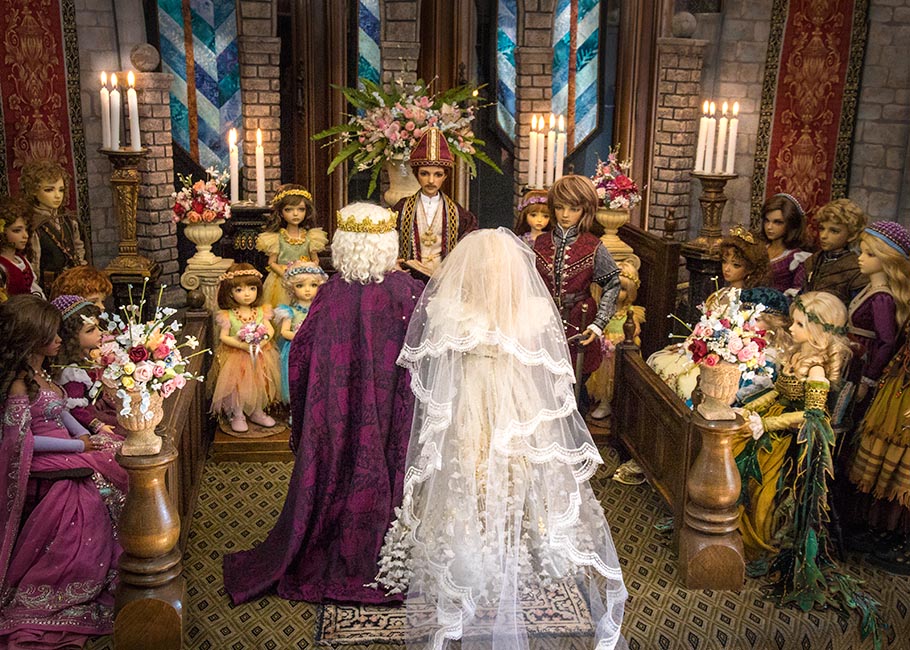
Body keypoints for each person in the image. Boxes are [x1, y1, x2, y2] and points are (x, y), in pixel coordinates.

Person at [373, 228, 627, 649]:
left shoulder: (501, 309)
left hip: (498, 397)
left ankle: (510, 538)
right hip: (484, 398)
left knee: (504, 465)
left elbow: (537, 362)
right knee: (472, 467)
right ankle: (483, 542)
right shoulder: (470, 307)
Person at [223, 202, 424, 605]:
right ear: (388, 243)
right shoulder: (408, 292)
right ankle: (393, 551)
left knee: (338, 464)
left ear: (343, 243)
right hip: (392, 411)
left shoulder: (331, 294)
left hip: (337, 411)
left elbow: (301, 355)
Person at [734, 292, 884, 646]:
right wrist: (753, 408)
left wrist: (767, 426)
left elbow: (813, 415)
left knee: (763, 482)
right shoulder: (797, 354)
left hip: (792, 438)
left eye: (801, 323)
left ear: (819, 331)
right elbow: (780, 393)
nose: (793, 326)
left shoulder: (817, 369)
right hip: (773, 419)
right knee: (734, 449)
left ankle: (757, 539)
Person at [0, 294, 127, 648]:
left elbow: (59, 412)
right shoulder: (18, 383)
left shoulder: (41, 372)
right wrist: (79, 447)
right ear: (30, 338)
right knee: (96, 489)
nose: (59, 340)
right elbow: (21, 441)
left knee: (120, 452)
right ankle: (78, 572)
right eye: (52, 335)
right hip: (45, 457)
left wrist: (87, 435)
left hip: (68, 446)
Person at [533, 174, 621, 415]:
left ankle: (575, 440)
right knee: (542, 384)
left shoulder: (594, 246)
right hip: (543, 324)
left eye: (573, 208)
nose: (565, 215)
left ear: (585, 210)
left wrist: (598, 324)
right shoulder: (539, 243)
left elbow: (613, 284)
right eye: (559, 207)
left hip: (579, 323)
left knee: (575, 384)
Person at [394, 127, 477, 279]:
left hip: (444, 280)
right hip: (409, 278)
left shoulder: (457, 213)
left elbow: (470, 244)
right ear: (416, 174)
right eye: (424, 174)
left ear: (445, 176)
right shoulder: (402, 208)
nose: (431, 181)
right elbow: (388, 240)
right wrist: (394, 262)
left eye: (438, 174)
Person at [211, 263, 281, 434]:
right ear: (229, 292)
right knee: (237, 386)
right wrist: (242, 344)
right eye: (239, 290)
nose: (247, 294)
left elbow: (269, 329)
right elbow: (223, 336)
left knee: (260, 383)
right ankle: (238, 414)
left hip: (261, 354)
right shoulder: (228, 315)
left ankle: (257, 411)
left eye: (252, 288)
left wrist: (263, 341)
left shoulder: (261, 310)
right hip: (237, 356)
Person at [847, 221, 910, 404]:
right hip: (854, 361)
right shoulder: (870, 289)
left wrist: (868, 378)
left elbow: (886, 342)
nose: (861, 258)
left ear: (887, 258)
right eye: (861, 252)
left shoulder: (882, 299)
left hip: (863, 366)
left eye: (870, 254)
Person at [50, 294, 120, 437]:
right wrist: (98, 425)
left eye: (97, 327)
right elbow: (76, 410)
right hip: (87, 420)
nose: (99, 333)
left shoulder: (88, 358)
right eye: (90, 330)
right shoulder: (72, 371)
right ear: (70, 337)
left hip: (99, 407)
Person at [588, 256, 645, 421]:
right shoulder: (604, 309)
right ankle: (604, 403)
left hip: (621, 349)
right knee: (603, 381)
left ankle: (621, 407)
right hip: (605, 350)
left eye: (622, 289)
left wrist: (621, 339)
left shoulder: (631, 311)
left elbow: (635, 329)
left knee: (619, 379)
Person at [256, 184, 327, 307]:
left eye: (301, 209)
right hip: (282, 281)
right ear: (281, 213)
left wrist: (309, 268)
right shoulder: (276, 238)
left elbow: (315, 259)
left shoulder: (311, 237)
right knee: (282, 310)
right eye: (289, 209)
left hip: (305, 280)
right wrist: (286, 275)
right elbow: (272, 262)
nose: (295, 214)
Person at [20, 160, 87, 289]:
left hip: (74, 284)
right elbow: (34, 266)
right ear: (33, 191)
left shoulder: (68, 220)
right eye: (49, 190)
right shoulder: (32, 224)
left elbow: (79, 249)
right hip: (48, 288)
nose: (57, 196)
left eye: (61, 190)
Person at [273, 260, 327, 403]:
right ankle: (294, 409)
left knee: (314, 376)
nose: (307, 290)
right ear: (292, 288)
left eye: (313, 285)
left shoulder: (321, 310)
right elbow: (284, 332)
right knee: (296, 377)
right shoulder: (289, 311)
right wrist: (301, 336)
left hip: (316, 348)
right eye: (300, 286)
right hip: (295, 349)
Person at [800, 198, 868, 304]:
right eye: (822, 228)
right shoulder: (813, 261)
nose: (823, 236)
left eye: (834, 231)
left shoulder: (856, 268)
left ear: (851, 235)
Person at [757, 193, 809, 294]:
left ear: (791, 224)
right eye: (767, 221)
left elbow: (797, 294)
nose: (769, 227)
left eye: (777, 222)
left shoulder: (797, 258)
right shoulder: (759, 248)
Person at [0, 197, 44, 298]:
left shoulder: (21, 260)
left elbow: (35, 289)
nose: (25, 236)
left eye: (26, 230)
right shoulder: (2, 267)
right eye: (17, 231)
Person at [719, 226, 772, 290]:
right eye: (724, 261)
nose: (726, 269)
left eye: (736, 265)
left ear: (750, 269)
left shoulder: (749, 298)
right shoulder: (721, 293)